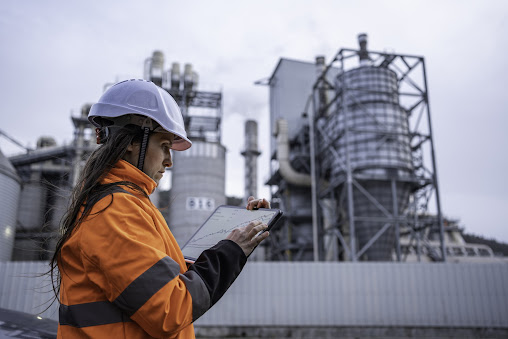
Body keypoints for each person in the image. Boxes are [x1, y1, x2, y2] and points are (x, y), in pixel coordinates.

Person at [49, 79, 271, 338]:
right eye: (164, 146)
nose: (169, 161)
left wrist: (229, 242)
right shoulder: (116, 212)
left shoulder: (127, 204)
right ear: (132, 141)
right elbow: (170, 309)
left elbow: (158, 281)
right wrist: (230, 252)